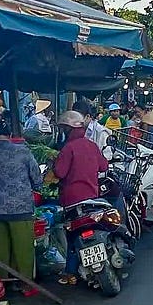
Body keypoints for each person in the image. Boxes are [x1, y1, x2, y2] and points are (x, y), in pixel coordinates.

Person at [0, 121, 42, 283]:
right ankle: (25, 284)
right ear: (10, 135)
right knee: (23, 249)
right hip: (22, 208)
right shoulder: (24, 152)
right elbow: (37, 179)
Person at [52, 111, 108, 283]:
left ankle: (70, 271)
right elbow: (103, 166)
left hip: (72, 200)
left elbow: (60, 172)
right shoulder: (91, 145)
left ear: (68, 129)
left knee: (72, 235)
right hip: (93, 197)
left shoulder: (68, 148)